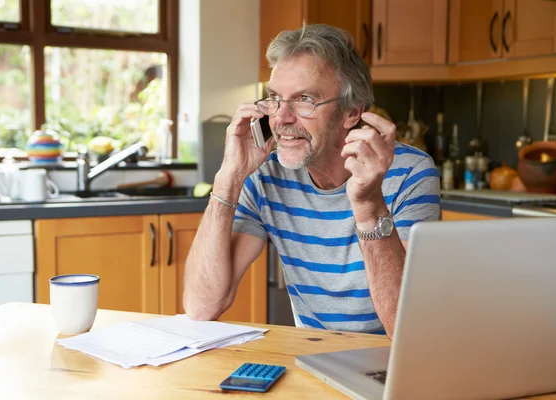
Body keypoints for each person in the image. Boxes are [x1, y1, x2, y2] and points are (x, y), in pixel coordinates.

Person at [184, 24, 440, 337]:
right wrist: (228, 177)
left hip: (390, 362)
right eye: (275, 98)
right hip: (313, 357)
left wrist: (368, 205)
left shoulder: (410, 173)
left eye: (304, 99)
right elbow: (201, 307)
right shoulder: (266, 174)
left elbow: (405, 330)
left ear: (350, 112)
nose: (281, 118)